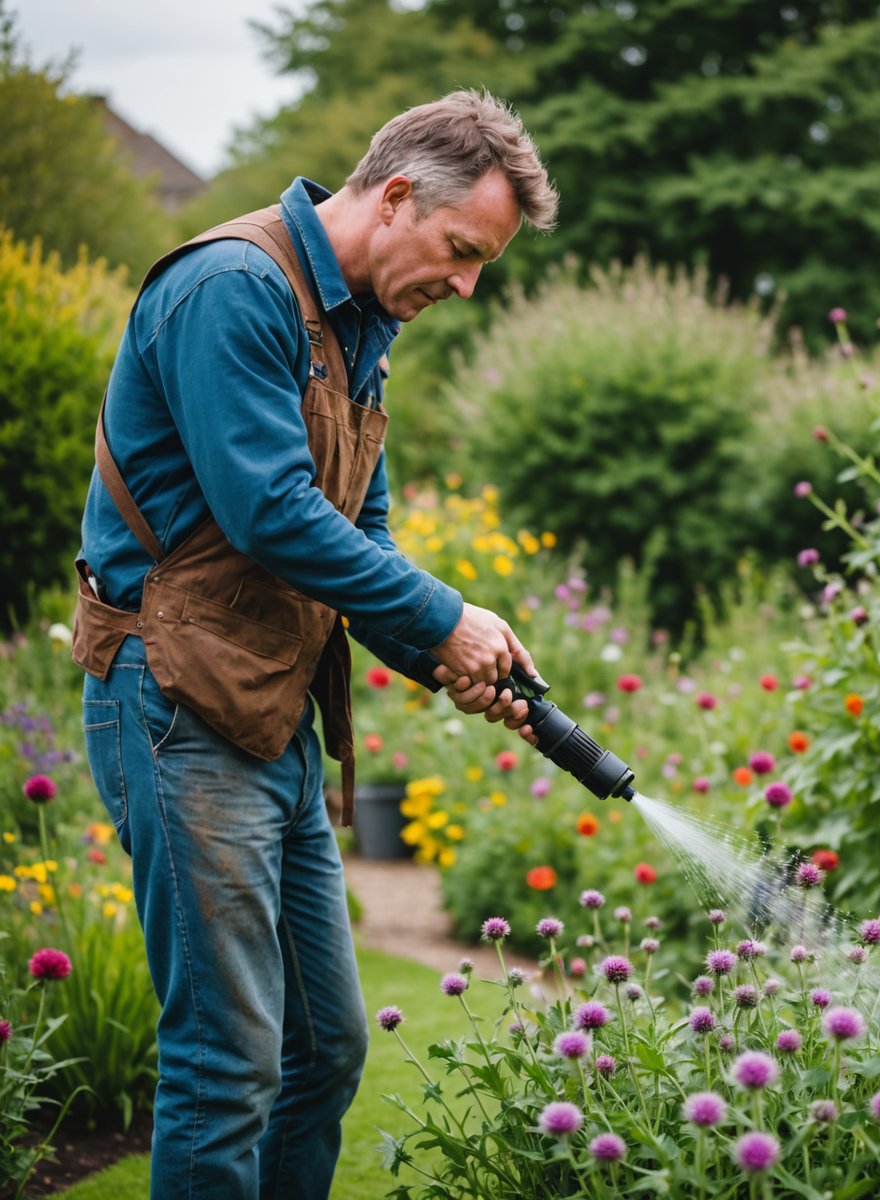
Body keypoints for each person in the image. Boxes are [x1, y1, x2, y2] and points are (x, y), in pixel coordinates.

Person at [72, 89, 558, 1199]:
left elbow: (358, 533)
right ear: (395, 196)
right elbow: (271, 513)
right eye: (461, 250)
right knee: (225, 1062)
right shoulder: (231, 289)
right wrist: (446, 615)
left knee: (325, 1047)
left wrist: (447, 655)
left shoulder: (357, 327)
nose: (468, 284)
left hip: (268, 705)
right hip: (176, 704)